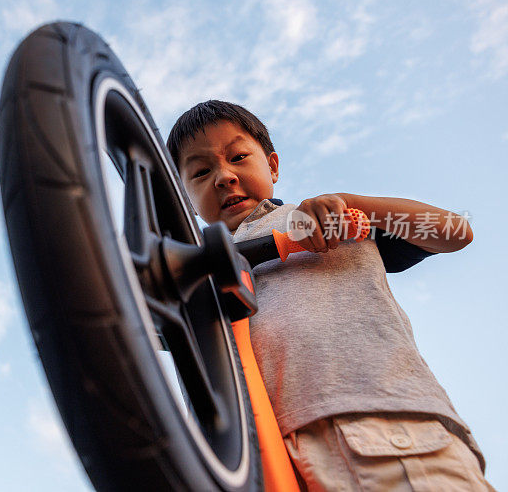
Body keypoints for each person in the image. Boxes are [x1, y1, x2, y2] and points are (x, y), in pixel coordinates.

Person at [166, 100, 493, 491]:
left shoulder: (320, 219)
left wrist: (351, 203)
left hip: (375, 424)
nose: (224, 177)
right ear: (185, 197)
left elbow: (455, 231)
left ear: (271, 165)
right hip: (255, 462)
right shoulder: (188, 268)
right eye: (201, 172)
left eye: (237, 157)